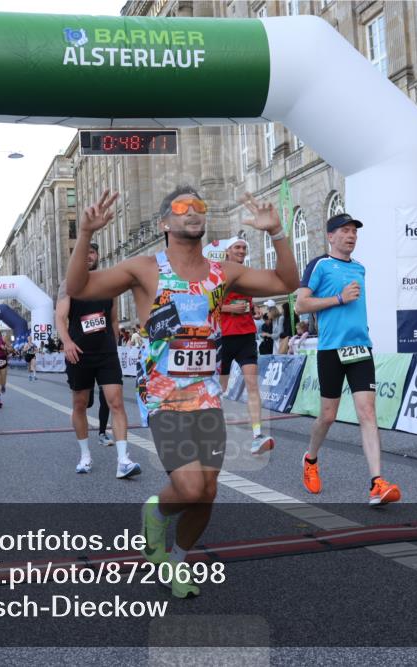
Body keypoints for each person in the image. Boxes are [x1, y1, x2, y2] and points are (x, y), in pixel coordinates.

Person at [65, 187, 298, 598]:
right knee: (189, 489)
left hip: (207, 395)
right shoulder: (144, 269)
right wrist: (85, 233)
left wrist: (278, 232)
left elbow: (287, 281)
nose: (193, 211)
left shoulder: (223, 272)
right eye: (181, 206)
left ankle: (177, 560)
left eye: (199, 206)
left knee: (207, 492)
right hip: (164, 395)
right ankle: (155, 513)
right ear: (165, 223)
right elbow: (79, 288)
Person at [295, 213, 402, 505]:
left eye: (354, 231)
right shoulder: (319, 265)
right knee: (327, 416)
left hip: (360, 349)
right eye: (344, 231)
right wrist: (338, 299)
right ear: (330, 236)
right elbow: (300, 305)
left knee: (367, 413)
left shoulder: (360, 268)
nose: (351, 235)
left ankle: (377, 483)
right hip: (331, 350)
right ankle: (311, 459)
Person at [56, 241, 140, 478]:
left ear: (97, 256)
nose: (88, 256)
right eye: (84, 252)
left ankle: (123, 460)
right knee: (80, 404)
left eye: (92, 252)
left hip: (106, 354)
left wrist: (114, 344)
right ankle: (85, 456)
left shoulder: (107, 285)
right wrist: (67, 342)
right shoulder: (69, 286)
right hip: (78, 353)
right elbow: (60, 318)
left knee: (116, 403)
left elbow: (113, 320)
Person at [215, 237, 274, 455]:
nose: (241, 250)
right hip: (224, 337)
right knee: (219, 389)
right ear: (227, 252)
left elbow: (246, 302)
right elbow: (208, 303)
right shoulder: (218, 273)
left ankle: (257, 435)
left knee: (252, 385)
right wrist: (230, 309)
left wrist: (253, 308)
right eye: (237, 247)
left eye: (243, 248)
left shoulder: (248, 273)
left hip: (246, 335)